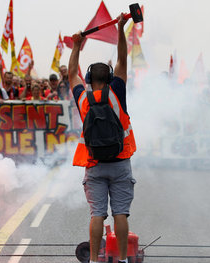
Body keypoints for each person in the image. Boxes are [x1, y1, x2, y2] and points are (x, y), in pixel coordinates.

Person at [68, 14, 136, 263]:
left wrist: (76, 46)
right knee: (121, 214)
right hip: (120, 162)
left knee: (97, 214)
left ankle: (95, 260)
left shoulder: (83, 98)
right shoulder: (118, 91)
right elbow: (122, 60)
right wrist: (120, 29)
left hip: (94, 164)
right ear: (109, 78)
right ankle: (122, 259)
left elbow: (71, 75)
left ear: (88, 80)